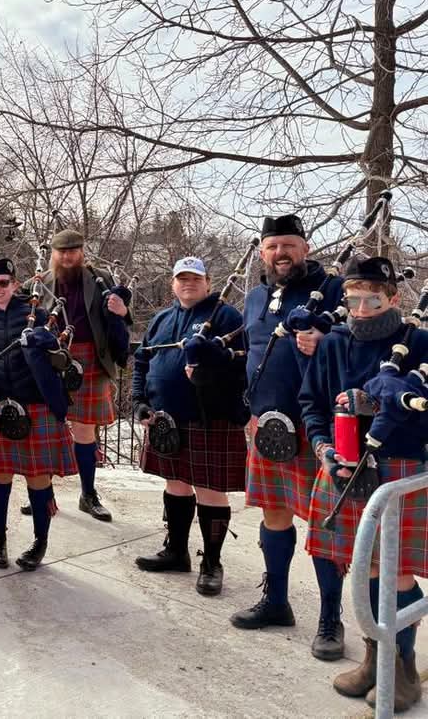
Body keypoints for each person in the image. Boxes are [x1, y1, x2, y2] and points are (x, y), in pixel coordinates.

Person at [301, 256, 428, 711]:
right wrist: (322, 449)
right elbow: (310, 403)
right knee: (368, 569)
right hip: (344, 468)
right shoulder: (333, 344)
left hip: (402, 469)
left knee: (394, 571)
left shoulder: (419, 342)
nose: (359, 309)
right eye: (351, 299)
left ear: (393, 297)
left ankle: (405, 671)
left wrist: (380, 406)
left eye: (371, 299)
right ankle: (378, 660)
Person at [231, 213, 348, 662]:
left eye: (289, 245)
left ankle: (330, 619)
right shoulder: (256, 296)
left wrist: (326, 336)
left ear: (305, 247)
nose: (280, 254)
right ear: (262, 252)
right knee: (274, 516)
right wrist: (251, 412)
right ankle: (277, 602)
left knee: (324, 526)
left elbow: (356, 340)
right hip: (267, 424)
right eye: (272, 246)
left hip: (315, 424)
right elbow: (254, 351)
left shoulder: (333, 289)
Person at [133, 256, 248, 595]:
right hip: (166, 418)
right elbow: (142, 360)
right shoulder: (161, 319)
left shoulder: (226, 316)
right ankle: (176, 551)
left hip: (210, 417)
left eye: (195, 279)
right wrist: (139, 400)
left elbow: (242, 365)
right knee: (176, 484)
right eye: (182, 279)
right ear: (173, 284)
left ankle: (212, 563)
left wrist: (211, 373)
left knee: (211, 491)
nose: (188, 284)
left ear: (208, 283)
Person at [0, 258, 75, 571]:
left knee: (38, 477)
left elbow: (64, 356)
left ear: (15, 284)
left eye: (3, 283)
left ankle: (40, 541)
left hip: (36, 404)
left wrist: (50, 343)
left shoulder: (40, 315)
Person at [28, 229, 130, 522]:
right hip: (51, 359)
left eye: (73, 251)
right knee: (46, 426)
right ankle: (42, 493)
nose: (68, 256)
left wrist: (123, 311)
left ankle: (88, 494)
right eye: (62, 252)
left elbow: (121, 314)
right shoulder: (42, 281)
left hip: (90, 357)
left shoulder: (99, 280)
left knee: (85, 430)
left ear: (82, 252)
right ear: (54, 254)